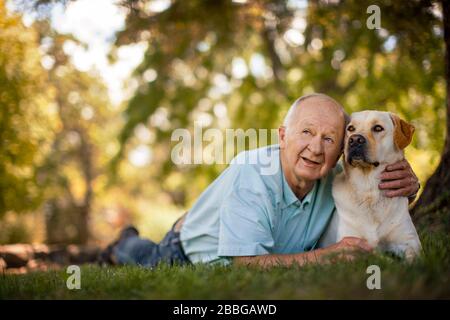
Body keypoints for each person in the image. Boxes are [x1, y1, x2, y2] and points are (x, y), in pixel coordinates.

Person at [99, 93, 420, 268]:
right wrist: (328, 255)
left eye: (329, 138)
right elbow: (246, 264)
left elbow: (375, 202)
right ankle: (123, 240)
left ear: (341, 150)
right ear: (283, 136)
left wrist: (409, 186)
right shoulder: (252, 173)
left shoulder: (338, 178)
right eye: (306, 132)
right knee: (139, 255)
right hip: (184, 251)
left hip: (254, 238)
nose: (315, 147)